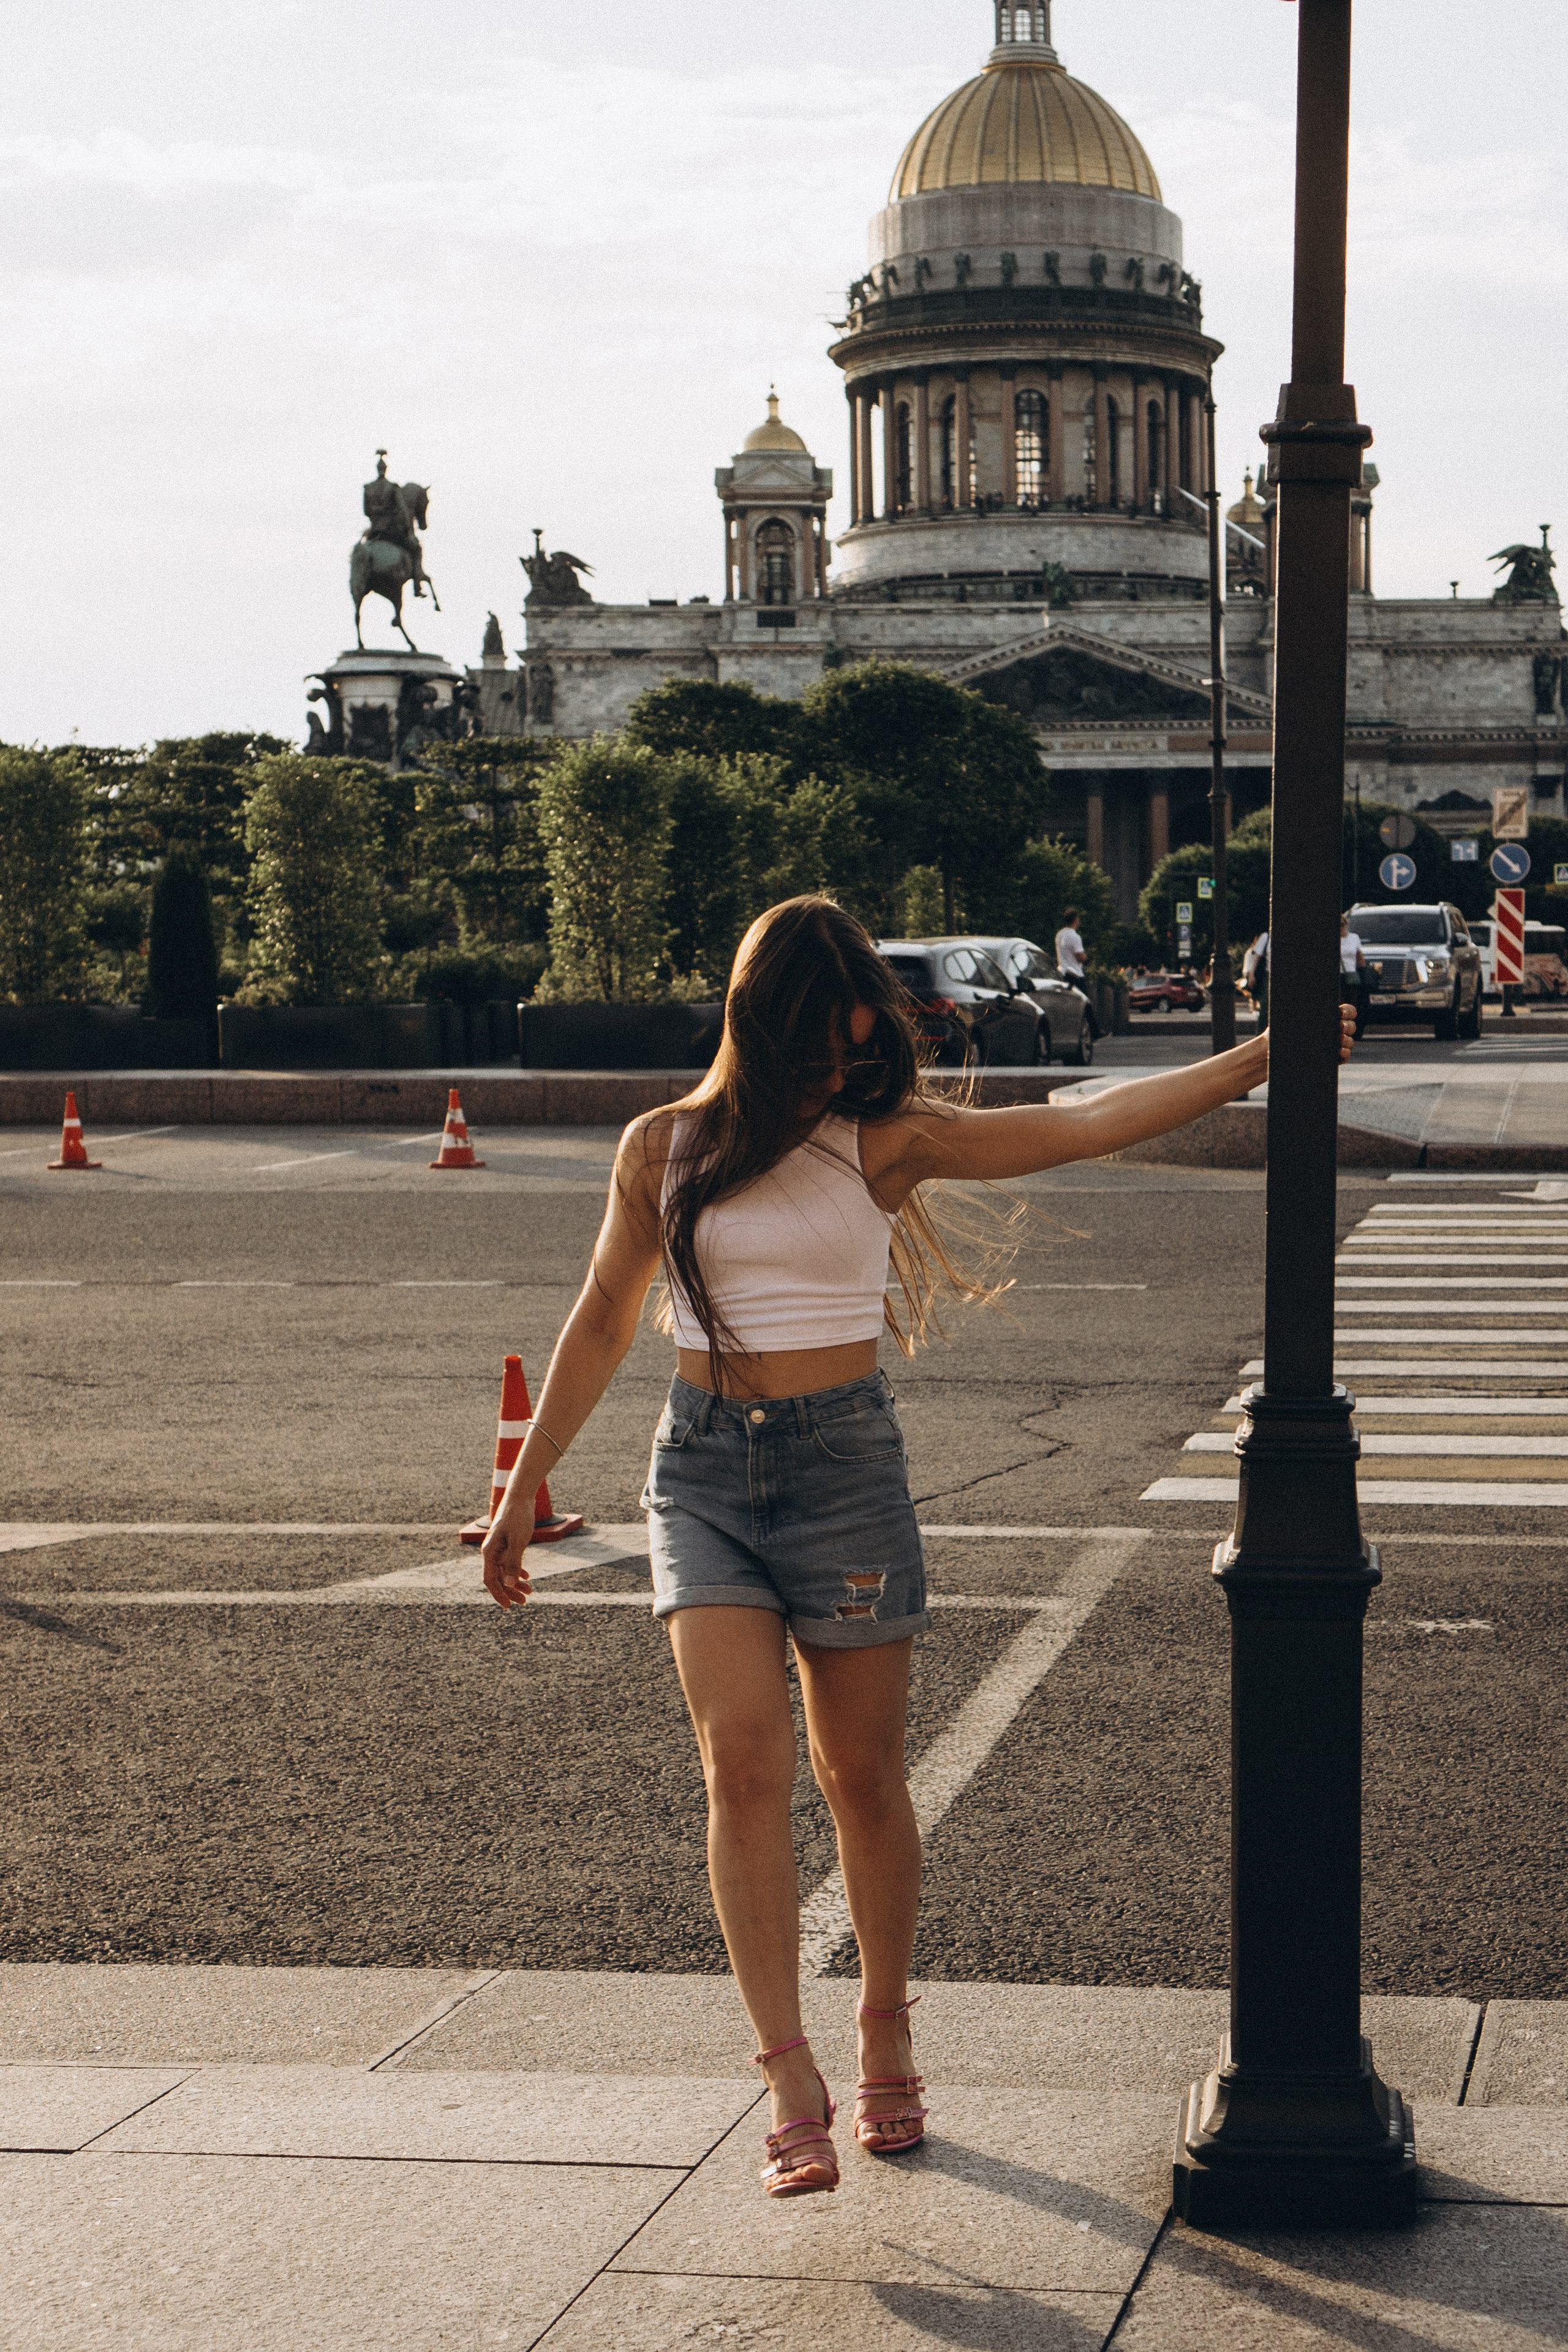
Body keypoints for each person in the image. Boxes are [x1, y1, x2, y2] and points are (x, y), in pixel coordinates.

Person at [480, 897, 1353, 2202]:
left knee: (863, 1776)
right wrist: (520, 1490)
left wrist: (1251, 1062)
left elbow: (1072, 1125)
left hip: (841, 1472)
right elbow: (604, 1314)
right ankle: (787, 2086)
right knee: (743, 1767)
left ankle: (883, 2027)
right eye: (819, 1047)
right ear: (762, 1027)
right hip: (700, 1471)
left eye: (855, 1045)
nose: (840, 1068)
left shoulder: (879, 1142)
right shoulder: (659, 1147)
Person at [1340, 914, 1368, 1039]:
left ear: (1346, 924)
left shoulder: (1354, 938)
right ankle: (1342, 1031)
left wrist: (1365, 971)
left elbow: (1359, 956)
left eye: (1342, 924)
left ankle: (1355, 1031)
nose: (1341, 928)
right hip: (1338, 976)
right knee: (1340, 1004)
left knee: (1353, 1004)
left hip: (1352, 975)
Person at [1242, 928, 1270, 1023]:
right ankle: (1261, 1033)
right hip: (1267, 976)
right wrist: (1251, 974)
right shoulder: (1266, 936)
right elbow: (1256, 957)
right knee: (1266, 1008)